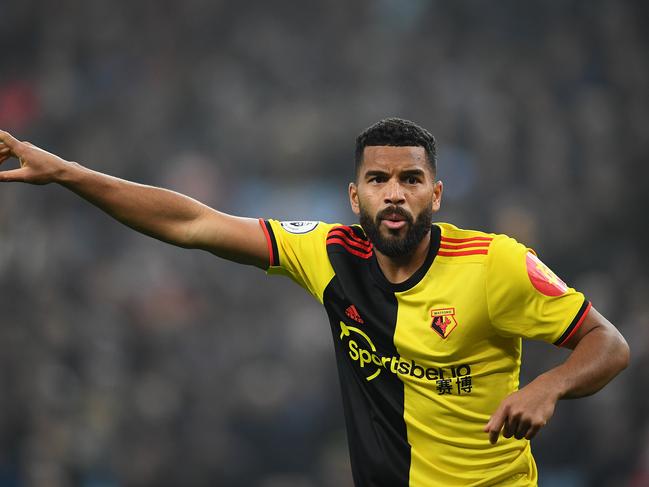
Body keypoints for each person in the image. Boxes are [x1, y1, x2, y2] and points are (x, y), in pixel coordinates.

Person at [0, 118, 629, 486]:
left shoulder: (495, 263)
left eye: (410, 180)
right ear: (352, 196)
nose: (393, 194)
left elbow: (609, 343)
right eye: (377, 179)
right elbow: (192, 223)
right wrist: (66, 173)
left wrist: (548, 387)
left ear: (435, 194)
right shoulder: (329, 253)